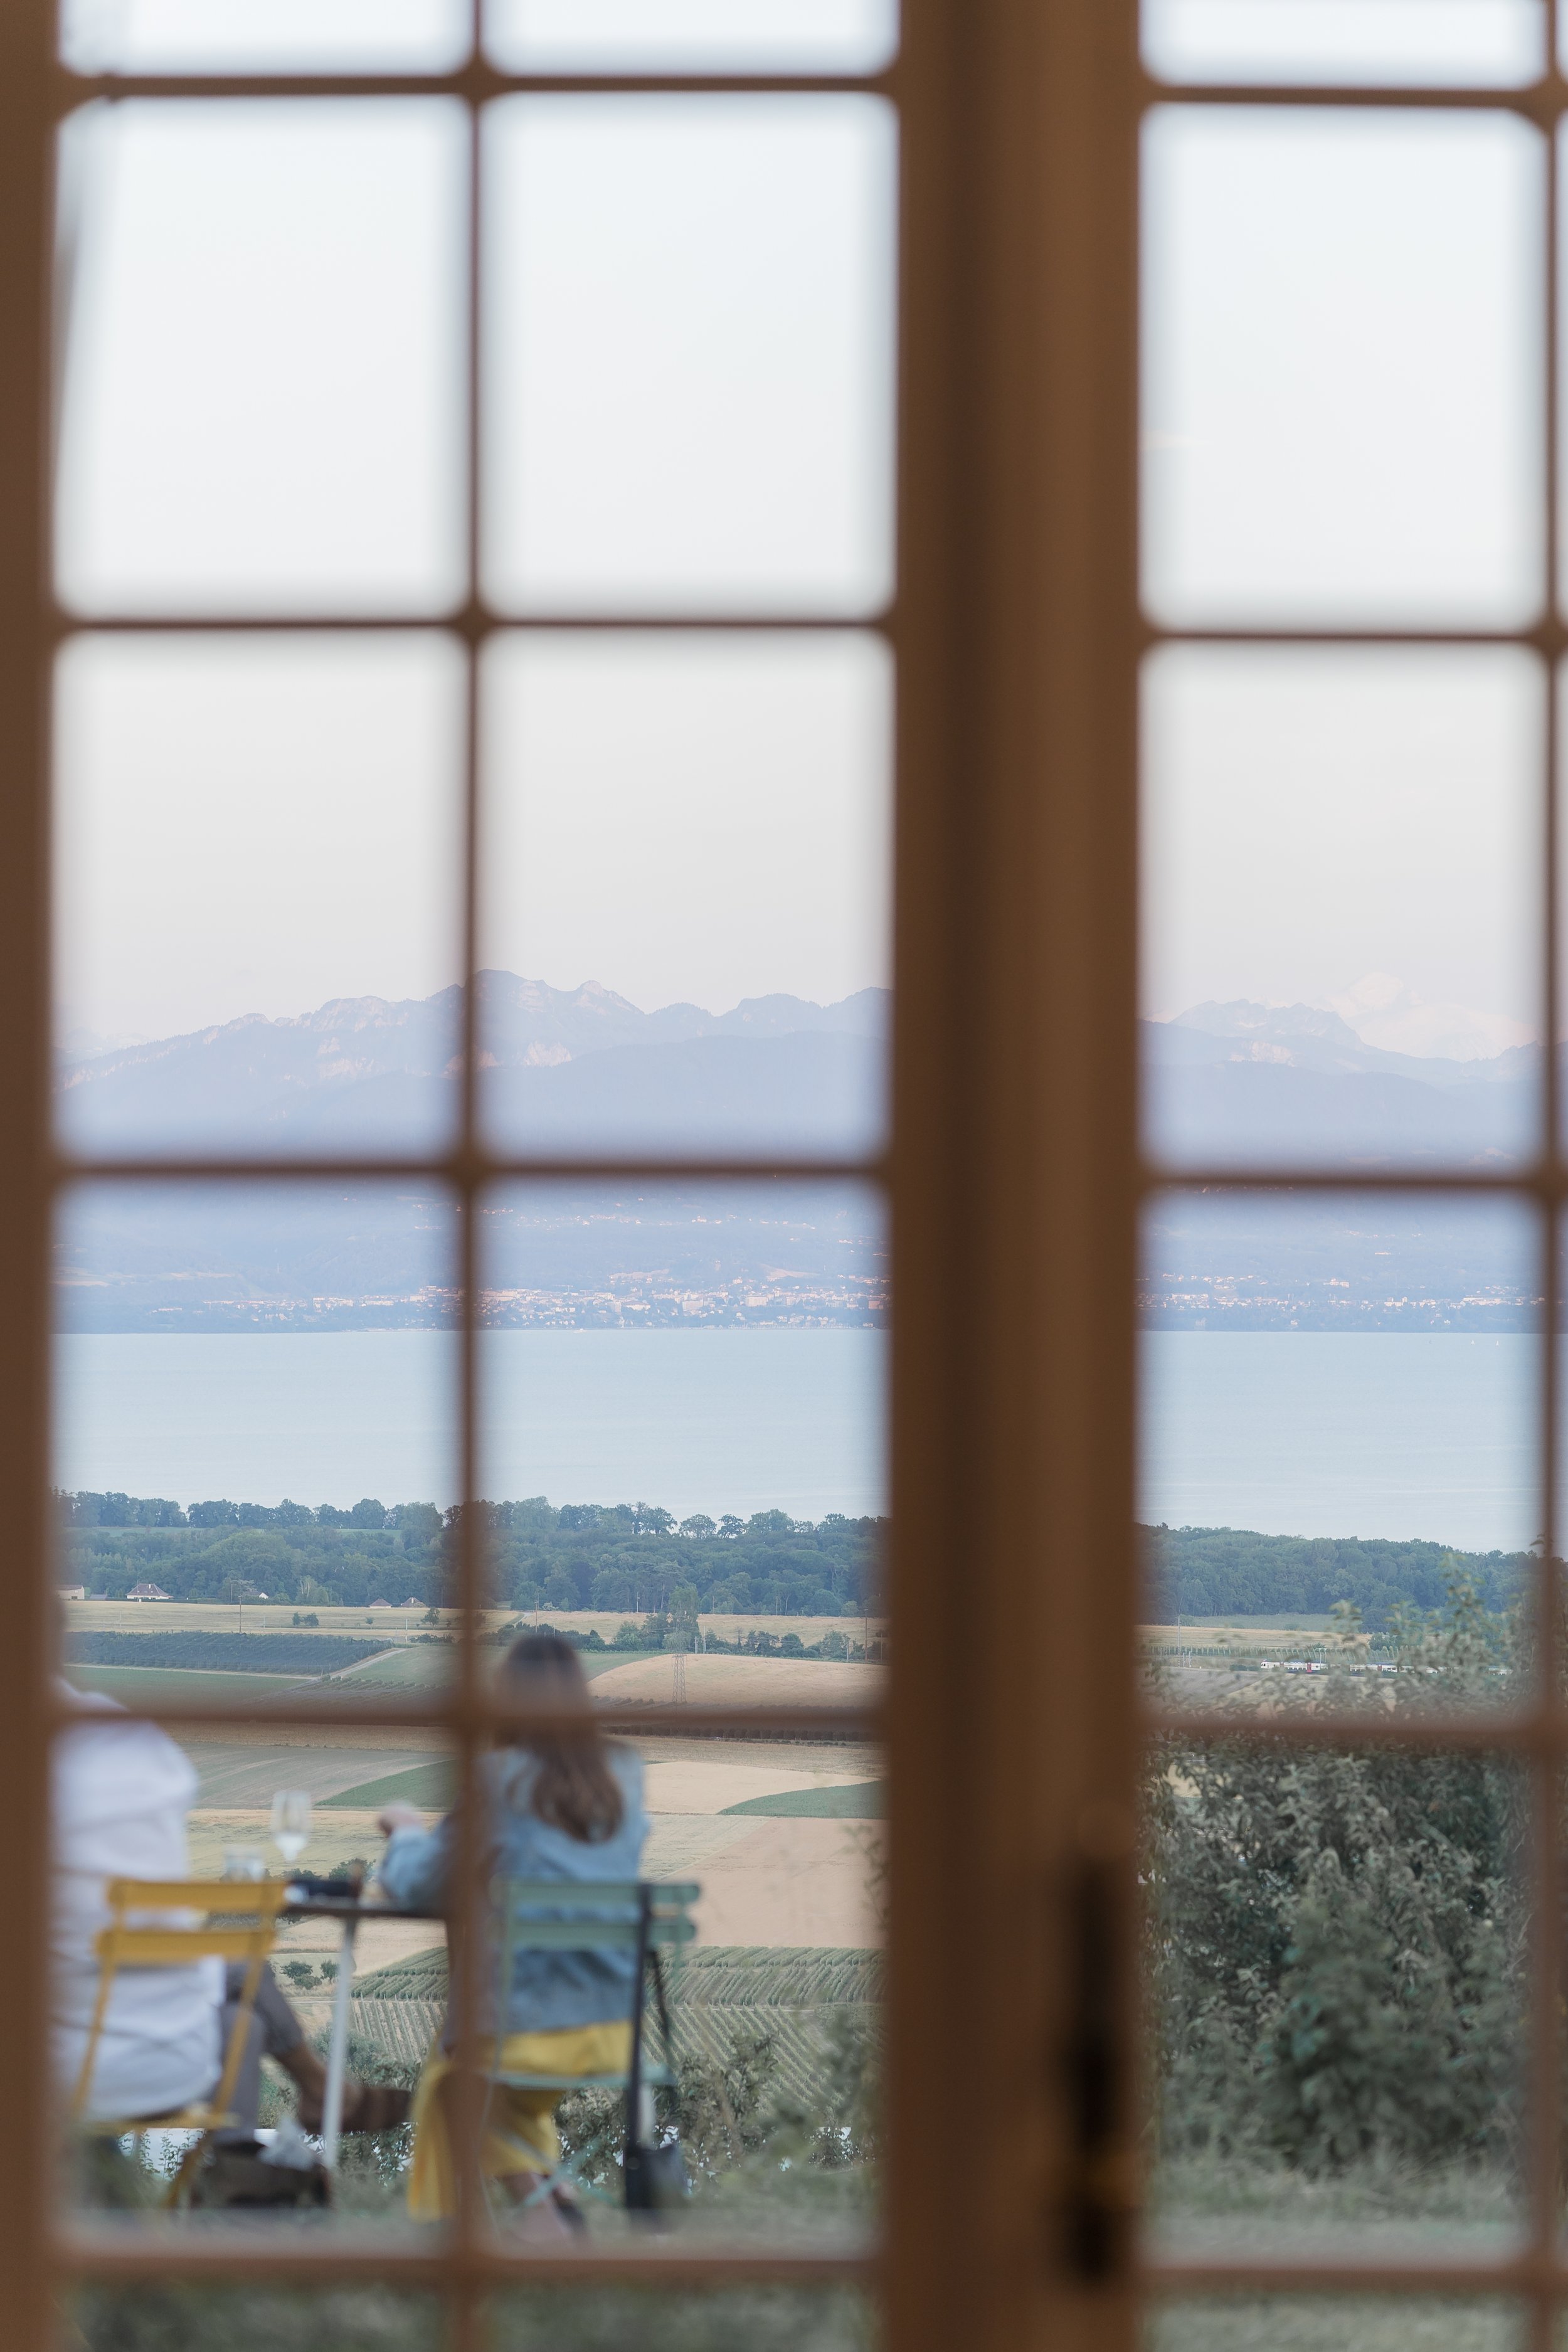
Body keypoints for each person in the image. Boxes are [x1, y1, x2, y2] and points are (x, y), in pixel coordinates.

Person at [53, 1683, 403, 2168]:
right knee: (238, 2013)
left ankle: (292, 2117)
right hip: (153, 2073)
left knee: (235, 1984)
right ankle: (248, 2160)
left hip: (65, 2063)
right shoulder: (124, 1742)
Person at [376, 1633, 649, 2233]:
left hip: (529, 2029)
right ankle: (556, 2208)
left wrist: (403, 1831)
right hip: (611, 2026)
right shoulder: (625, 1776)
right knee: (504, 2101)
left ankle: (546, 2230)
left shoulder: (498, 1779)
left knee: (456, 2091)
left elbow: (422, 1884)